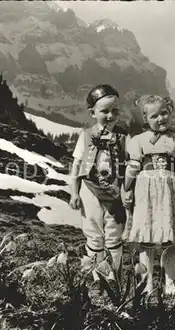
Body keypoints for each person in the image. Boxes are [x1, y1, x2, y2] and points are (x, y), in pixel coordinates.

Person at [123, 94, 175, 295]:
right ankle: (147, 284)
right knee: (147, 238)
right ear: (145, 119)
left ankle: (170, 283)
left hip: (171, 192)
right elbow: (133, 166)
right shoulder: (139, 141)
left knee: (168, 238)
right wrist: (127, 188)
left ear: (170, 112)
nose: (161, 118)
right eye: (155, 116)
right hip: (146, 190)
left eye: (164, 113)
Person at [69, 84, 129, 289]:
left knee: (114, 232)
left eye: (115, 111)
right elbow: (77, 165)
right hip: (90, 189)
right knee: (93, 230)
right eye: (105, 111)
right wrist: (73, 193)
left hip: (115, 191)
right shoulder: (85, 136)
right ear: (92, 112)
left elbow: (132, 164)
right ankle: (96, 277)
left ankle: (115, 277)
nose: (110, 116)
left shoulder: (123, 137)